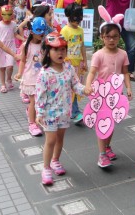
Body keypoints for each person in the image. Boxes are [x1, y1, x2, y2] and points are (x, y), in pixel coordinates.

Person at [36, 32, 90, 185]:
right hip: (49, 113)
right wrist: (39, 112)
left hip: (65, 112)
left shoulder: (69, 68)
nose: (60, 53)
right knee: (51, 140)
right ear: (47, 51)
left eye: (63, 49)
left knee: (60, 139)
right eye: (55, 49)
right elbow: (40, 95)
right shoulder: (44, 73)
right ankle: (46, 168)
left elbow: (75, 84)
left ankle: (55, 161)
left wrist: (84, 89)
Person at [84, 6, 133, 168]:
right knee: (101, 123)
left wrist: (128, 88)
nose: (112, 40)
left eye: (115, 37)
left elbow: (126, 72)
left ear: (119, 37)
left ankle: (108, 146)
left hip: (115, 94)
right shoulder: (98, 55)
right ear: (102, 38)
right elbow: (92, 72)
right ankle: (102, 154)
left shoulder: (123, 54)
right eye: (108, 37)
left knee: (111, 123)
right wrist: (88, 85)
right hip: (100, 94)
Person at [15, 17, 47, 136]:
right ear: (32, 31)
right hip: (30, 78)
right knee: (34, 101)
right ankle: (32, 124)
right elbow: (22, 61)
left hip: (43, 78)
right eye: (39, 31)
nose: (41, 33)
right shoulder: (26, 45)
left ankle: (33, 114)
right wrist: (19, 73)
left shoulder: (45, 44)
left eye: (43, 30)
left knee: (41, 100)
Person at [61, 3, 87, 123]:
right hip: (68, 65)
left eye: (79, 19)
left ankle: (72, 111)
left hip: (79, 64)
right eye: (75, 19)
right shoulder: (65, 30)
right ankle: (75, 112)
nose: (78, 22)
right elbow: (62, 48)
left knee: (77, 88)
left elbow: (82, 46)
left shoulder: (80, 30)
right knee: (72, 88)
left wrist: (85, 61)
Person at [0, 5, 23, 93]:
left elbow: (15, 34)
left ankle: (9, 79)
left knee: (10, 66)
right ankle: (3, 84)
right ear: (1, 14)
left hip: (11, 47)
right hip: (0, 48)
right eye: (5, 14)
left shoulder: (13, 24)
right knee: (2, 68)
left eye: (10, 14)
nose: (8, 16)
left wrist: (23, 38)